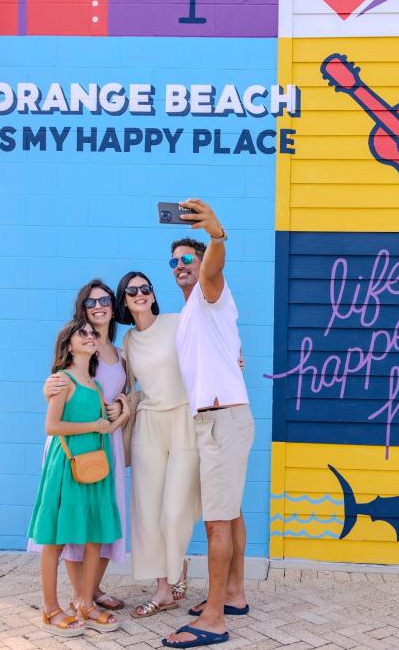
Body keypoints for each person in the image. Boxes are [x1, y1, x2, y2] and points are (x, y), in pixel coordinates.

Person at [165, 200, 255, 648]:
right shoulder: (191, 313)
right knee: (230, 512)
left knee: (216, 522)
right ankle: (234, 594)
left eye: (188, 258)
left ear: (201, 264)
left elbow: (214, 267)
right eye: (174, 262)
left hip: (223, 420)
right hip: (221, 419)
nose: (180, 265)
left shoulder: (208, 291)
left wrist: (216, 235)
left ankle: (215, 618)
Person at [31, 280, 129, 612]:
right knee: (72, 519)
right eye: (91, 302)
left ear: (113, 306)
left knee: (101, 518)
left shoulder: (120, 352)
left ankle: (91, 592)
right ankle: (79, 596)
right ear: (82, 309)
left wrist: (125, 407)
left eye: (105, 300)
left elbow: (124, 392)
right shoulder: (75, 353)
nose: (98, 306)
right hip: (72, 446)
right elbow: (59, 391)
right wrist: (48, 387)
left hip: (106, 443)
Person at [114, 271, 198, 618]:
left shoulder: (176, 322)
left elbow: (211, 341)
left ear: (152, 293)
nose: (140, 293)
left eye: (145, 288)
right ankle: (164, 588)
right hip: (148, 423)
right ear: (124, 300)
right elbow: (120, 382)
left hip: (183, 419)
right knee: (148, 512)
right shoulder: (128, 342)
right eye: (132, 290)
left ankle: (178, 565)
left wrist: (236, 356)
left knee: (174, 511)